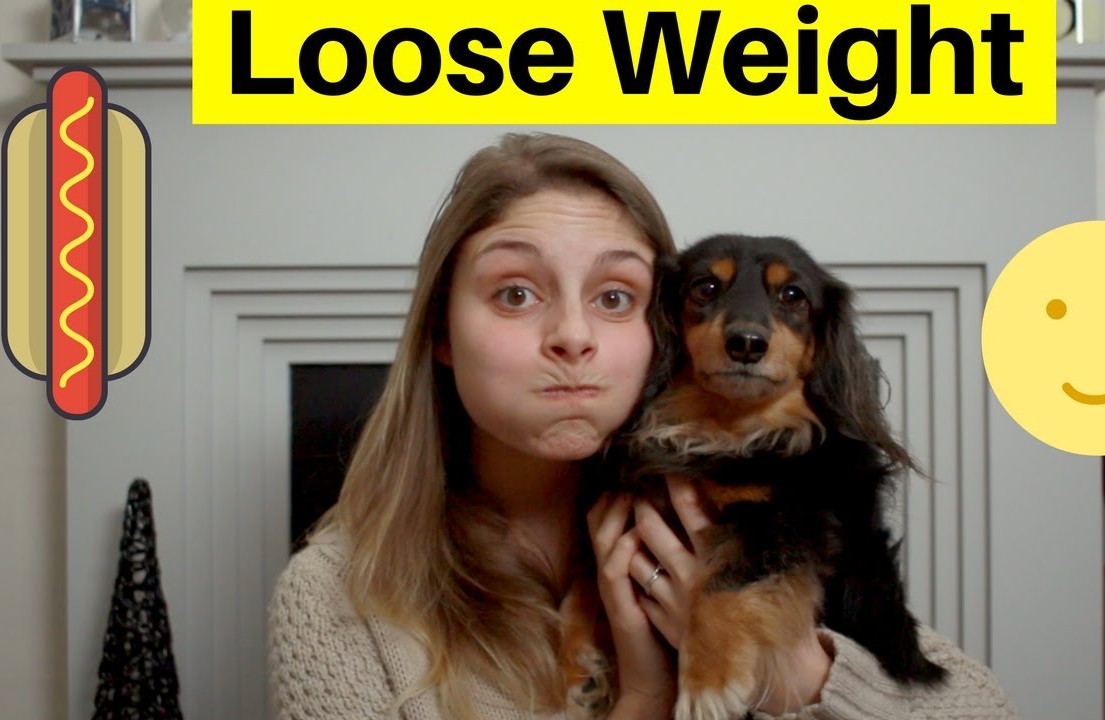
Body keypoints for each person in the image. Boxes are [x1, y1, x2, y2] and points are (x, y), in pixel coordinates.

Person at [268, 133, 1019, 720]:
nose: (573, 336)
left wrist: (794, 674)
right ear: (440, 330)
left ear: (660, 333)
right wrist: (646, 699)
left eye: (615, 298)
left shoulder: (754, 517)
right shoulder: (335, 597)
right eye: (516, 292)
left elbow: (979, 707)